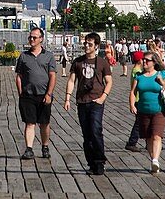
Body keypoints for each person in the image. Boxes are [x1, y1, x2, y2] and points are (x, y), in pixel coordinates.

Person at [63, 32, 112, 175]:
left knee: (96, 130)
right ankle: (91, 163)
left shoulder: (102, 62)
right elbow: (72, 81)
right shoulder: (78, 62)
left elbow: (109, 82)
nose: (86, 46)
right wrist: (67, 98)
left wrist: (103, 97)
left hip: (97, 100)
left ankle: (99, 161)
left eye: (89, 44)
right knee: (87, 134)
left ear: (96, 46)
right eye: (85, 43)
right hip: (82, 101)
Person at [126, 51, 165, 174]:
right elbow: (132, 92)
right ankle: (153, 158)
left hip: (159, 110)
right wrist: (132, 104)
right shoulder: (139, 76)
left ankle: (155, 160)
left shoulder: (161, 74)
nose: (144, 62)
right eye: (143, 60)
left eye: (147, 60)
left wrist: (162, 82)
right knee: (147, 138)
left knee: (157, 136)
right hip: (143, 110)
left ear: (154, 62)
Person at [15, 26, 57, 160]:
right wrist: (21, 93)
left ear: (41, 39)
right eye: (30, 37)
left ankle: (45, 146)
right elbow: (19, 76)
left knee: (44, 123)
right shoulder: (24, 56)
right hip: (28, 95)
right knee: (29, 122)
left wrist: (49, 94)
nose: (31, 39)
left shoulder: (49, 56)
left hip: (44, 95)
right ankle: (29, 149)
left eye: (34, 37)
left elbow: (52, 76)